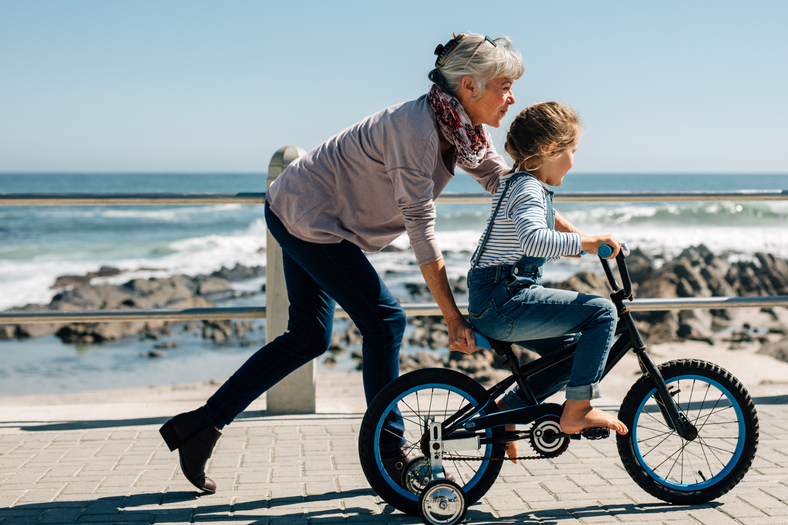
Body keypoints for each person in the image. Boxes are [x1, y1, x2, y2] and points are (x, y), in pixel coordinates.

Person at [158, 32, 527, 493]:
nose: (512, 98)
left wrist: (576, 236)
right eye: (504, 86)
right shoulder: (415, 131)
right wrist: (451, 317)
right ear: (469, 86)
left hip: (306, 212)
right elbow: (421, 230)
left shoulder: (461, 130)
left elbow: (509, 187)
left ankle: (199, 427)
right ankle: (390, 453)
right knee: (385, 321)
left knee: (308, 337)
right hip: (307, 216)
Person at [466, 102, 628, 463]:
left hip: (497, 295)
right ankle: (577, 410)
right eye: (573, 151)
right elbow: (534, 240)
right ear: (551, 150)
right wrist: (588, 243)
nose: (574, 160)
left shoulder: (518, 183)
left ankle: (505, 411)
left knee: (576, 356)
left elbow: (545, 225)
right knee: (602, 313)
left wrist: (586, 244)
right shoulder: (527, 189)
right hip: (504, 297)